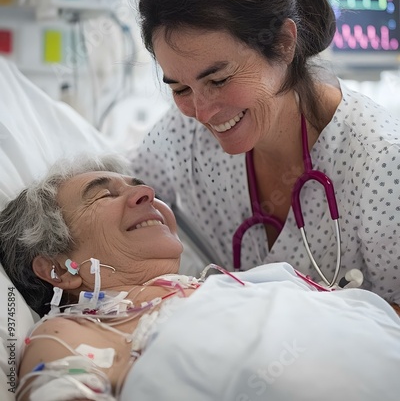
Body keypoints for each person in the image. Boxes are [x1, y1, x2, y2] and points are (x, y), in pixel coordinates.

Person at [128, 0, 400, 305]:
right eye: (180, 88)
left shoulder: (381, 162)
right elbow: (127, 200)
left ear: (284, 43)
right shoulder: (181, 132)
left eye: (219, 80)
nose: (202, 112)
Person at [0, 154, 400, 401]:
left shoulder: (234, 284)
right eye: (103, 195)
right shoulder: (77, 334)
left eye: (139, 187)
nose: (147, 194)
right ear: (55, 269)